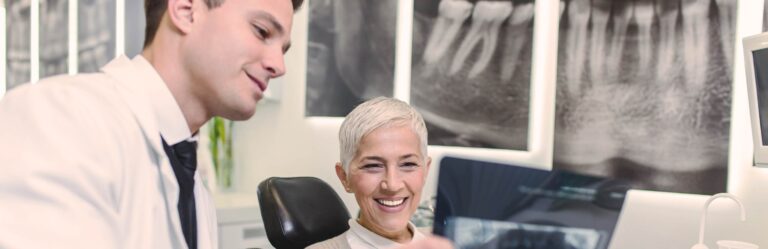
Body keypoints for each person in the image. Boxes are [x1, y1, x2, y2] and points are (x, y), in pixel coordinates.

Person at [0, 0, 301, 248]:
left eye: (283, 49)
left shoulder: (193, 187)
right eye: (262, 32)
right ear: (186, 11)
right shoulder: (60, 118)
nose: (279, 66)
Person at [308, 97, 449, 249]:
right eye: (373, 166)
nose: (392, 185)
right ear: (344, 177)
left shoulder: (446, 242)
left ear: (425, 170)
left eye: (408, 164)